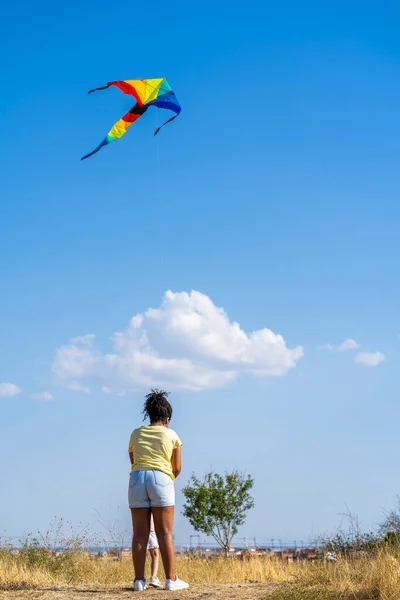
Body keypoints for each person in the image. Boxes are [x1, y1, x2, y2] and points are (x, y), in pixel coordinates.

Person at [128, 389, 189, 592]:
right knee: (165, 532)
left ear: (150, 415)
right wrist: (167, 481)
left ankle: (139, 581)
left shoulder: (136, 433)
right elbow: (177, 467)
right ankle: (171, 579)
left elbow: (134, 460)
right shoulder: (171, 434)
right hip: (161, 477)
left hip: (136, 478)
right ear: (167, 418)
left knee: (139, 533)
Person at [147, 513, 162, 588]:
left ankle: (139, 579)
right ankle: (153, 577)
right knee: (155, 555)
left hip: (139, 531)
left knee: (140, 555)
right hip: (151, 529)